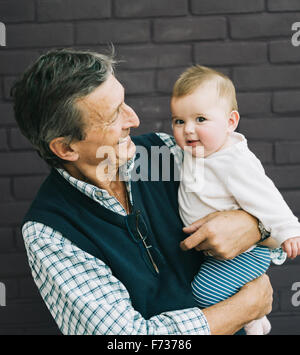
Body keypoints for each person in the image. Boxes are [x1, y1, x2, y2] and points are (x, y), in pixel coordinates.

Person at [11, 48, 273, 335]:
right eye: (113, 117)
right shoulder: (49, 234)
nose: (133, 120)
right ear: (66, 148)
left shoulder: (168, 153)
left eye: (124, 102)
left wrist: (256, 226)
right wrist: (243, 308)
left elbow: (274, 219)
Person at [171, 65, 300, 335]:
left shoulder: (233, 161)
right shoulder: (193, 153)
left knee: (204, 293)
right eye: (179, 121)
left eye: (201, 120)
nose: (188, 130)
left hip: (245, 252)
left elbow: (266, 197)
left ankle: (253, 320)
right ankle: (254, 318)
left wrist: (289, 230)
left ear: (230, 122)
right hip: (216, 253)